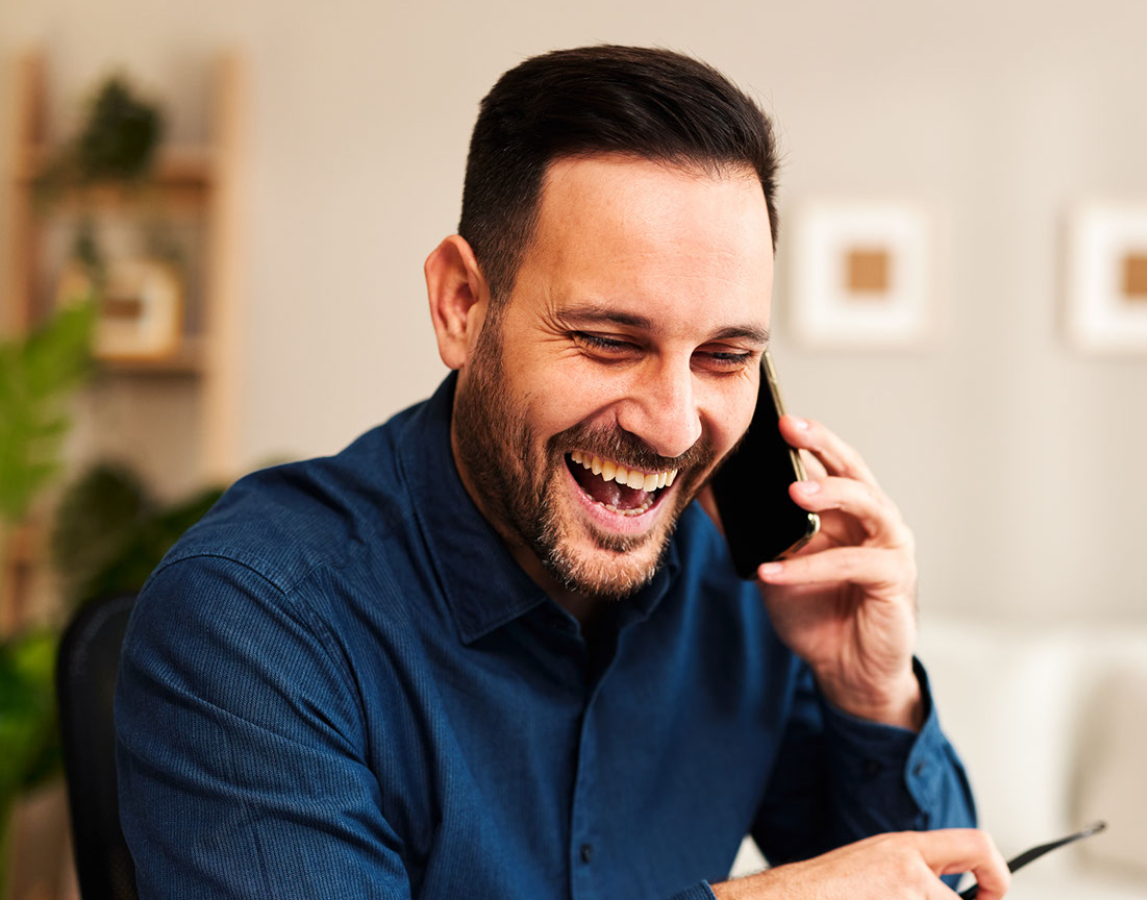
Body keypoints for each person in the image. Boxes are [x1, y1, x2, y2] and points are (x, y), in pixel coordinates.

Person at [114, 45, 1010, 900]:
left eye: (726, 357)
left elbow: (949, 887)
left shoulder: (743, 583)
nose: (671, 425)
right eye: (610, 342)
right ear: (461, 304)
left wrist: (871, 694)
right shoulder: (253, 619)